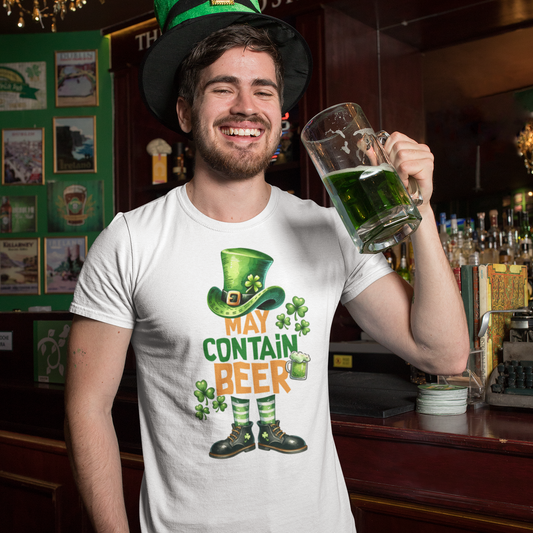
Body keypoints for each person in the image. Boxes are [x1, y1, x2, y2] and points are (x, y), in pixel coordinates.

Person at [64, 1, 470, 532]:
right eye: (222, 87)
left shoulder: (327, 229)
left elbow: (444, 352)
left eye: (263, 90)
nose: (245, 107)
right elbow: (86, 410)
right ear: (186, 112)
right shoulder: (130, 241)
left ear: (280, 118)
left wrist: (419, 211)